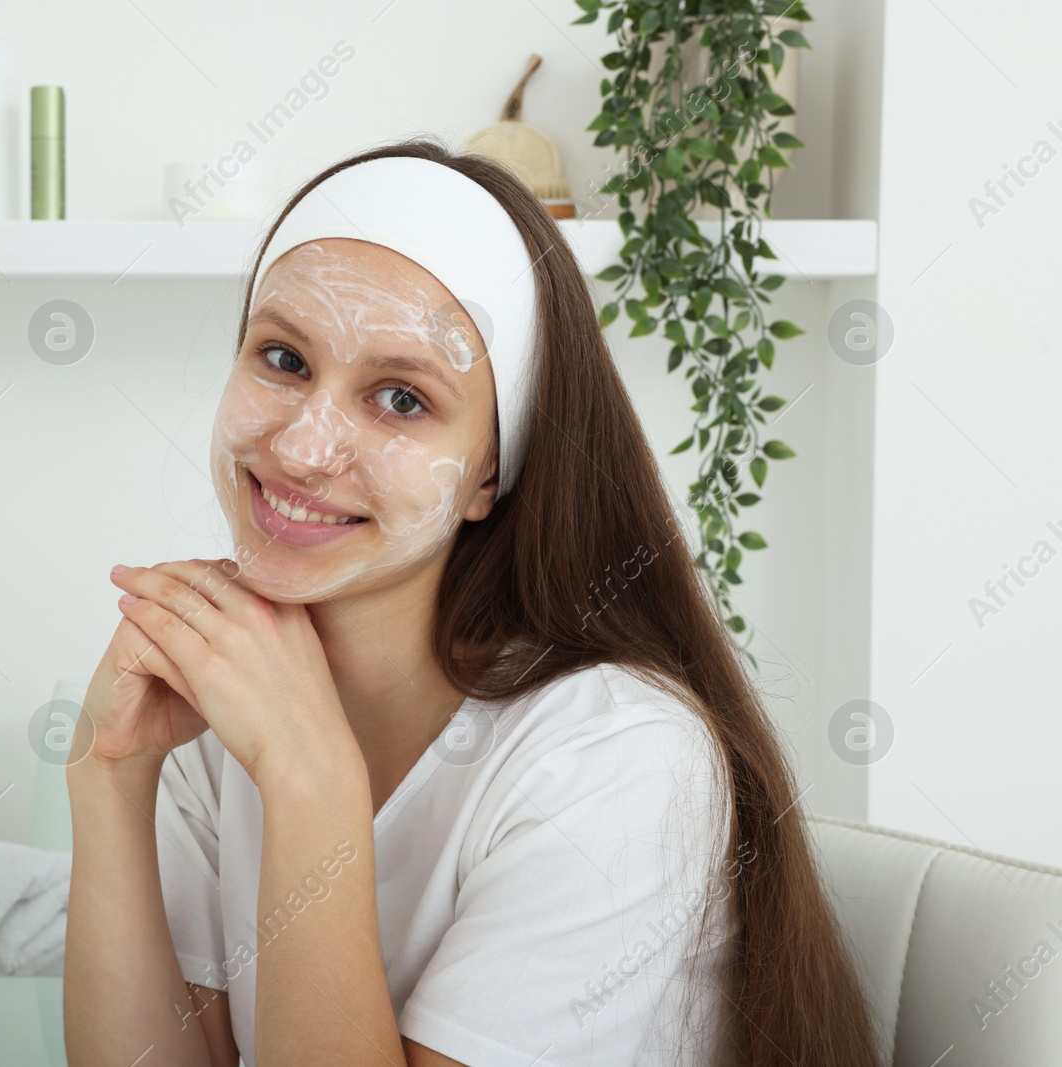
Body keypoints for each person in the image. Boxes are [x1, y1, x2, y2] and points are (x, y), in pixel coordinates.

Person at [62, 139, 880, 1067]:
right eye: (283, 357)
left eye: (401, 399)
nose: (303, 446)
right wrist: (110, 778)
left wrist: (308, 775)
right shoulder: (214, 709)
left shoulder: (617, 763)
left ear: (490, 471)